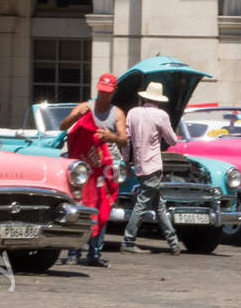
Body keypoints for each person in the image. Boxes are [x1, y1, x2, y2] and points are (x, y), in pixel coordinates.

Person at [58, 73, 127, 267]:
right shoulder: (84, 107)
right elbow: (63, 126)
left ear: (114, 92)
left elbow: (124, 140)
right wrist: (75, 117)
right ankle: (73, 252)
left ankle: (94, 253)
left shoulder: (117, 113)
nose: (103, 95)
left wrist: (110, 137)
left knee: (101, 207)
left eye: (107, 92)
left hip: (105, 167)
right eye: (101, 91)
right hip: (82, 168)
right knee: (80, 207)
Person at [122, 81, 180, 255]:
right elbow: (172, 141)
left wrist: (126, 160)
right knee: (142, 205)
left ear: (144, 97)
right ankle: (128, 240)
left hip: (139, 165)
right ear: (159, 100)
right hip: (153, 165)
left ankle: (173, 243)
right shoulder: (161, 115)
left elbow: (125, 140)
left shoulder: (132, 113)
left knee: (159, 205)